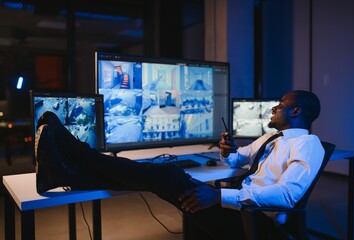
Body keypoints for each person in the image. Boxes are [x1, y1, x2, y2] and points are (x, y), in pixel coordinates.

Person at [35, 90, 324, 239]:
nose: (273, 108)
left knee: (167, 175)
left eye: (280, 105)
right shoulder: (272, 138)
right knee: (160, 177)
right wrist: (227, 152)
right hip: (236, 207)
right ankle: (70, 168)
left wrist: (219, 195)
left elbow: (289, 195)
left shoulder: (307, 144)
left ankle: (75, 155)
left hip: (254, 223)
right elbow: (239, 158)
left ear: (296, 111)